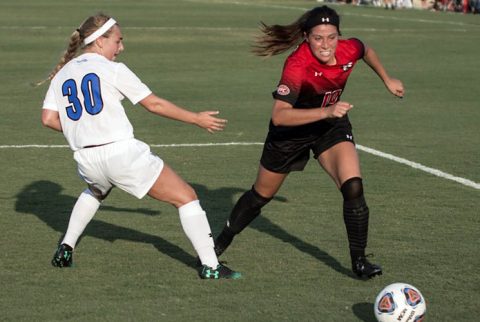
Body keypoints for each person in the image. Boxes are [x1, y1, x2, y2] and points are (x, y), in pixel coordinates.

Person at [40, 13, 240, 279]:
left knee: (96, 191)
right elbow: (153, 104)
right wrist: (196, 118)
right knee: (187, 197)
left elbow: (48, 119)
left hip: (87, 160)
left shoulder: (62, 74)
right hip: (121, 155)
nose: (121, 47)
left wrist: (84, 129)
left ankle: (65, 248)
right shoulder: (113, 70)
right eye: (118, 41)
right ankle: (211, 266)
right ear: (100, 42)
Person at [213, 6, 404, 279]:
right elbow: (279, 116)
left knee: (353, 186)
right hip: (290, 134)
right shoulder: (297, 64)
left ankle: (359, 261)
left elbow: (366, 50)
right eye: (317, 38)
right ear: (306, 37)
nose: (325, 45)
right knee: (260, 196)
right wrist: (326, 111)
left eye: (332, 37)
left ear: (339, 35)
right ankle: (219, 242)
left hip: (330, 126)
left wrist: (387, 79)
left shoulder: (349, 48)